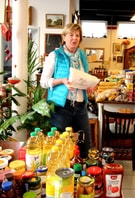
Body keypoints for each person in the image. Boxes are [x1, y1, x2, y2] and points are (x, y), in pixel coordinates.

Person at [40, 23, 92, 158]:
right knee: (61, 146)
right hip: (61, 108)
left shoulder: (82, 56)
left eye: (77, 35)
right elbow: (43, 82)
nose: (74, 38)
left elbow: (83, 78)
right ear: (64, 37)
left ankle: (83, 175)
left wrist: (89, 85)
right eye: (71, 35)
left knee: (84, 143)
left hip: (80, 107)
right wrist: (62, 81)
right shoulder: (55, 55)